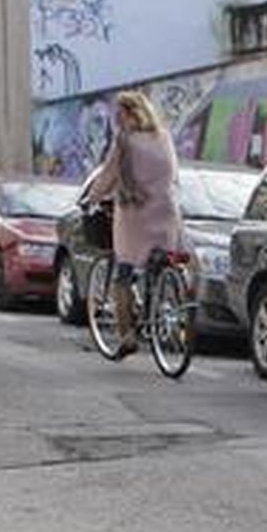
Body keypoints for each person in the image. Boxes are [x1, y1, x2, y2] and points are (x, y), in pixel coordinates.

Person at [84, 91, 182, 359]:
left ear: (127, 113)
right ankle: (158, 304)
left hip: (135, 215)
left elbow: (109, 175)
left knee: (123, 272)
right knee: (160, 262)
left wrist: (92, 198)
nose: (116, 119)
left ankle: (127, 336)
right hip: (166, 212)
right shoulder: (164, 137)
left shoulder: (125, 141)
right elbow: (173, 174)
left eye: (118, 113)